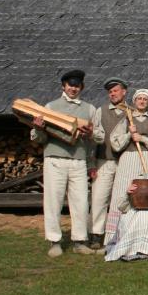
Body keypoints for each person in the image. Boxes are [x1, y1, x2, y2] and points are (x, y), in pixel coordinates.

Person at [30, 69, 97, 257]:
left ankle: (79, 241)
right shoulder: (50, 107)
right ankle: (54, 241)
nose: (73, 89)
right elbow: (39, 139)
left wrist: (90, 137)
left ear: (81, 87)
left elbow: (94, 140)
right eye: (70, 85)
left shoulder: (89, 109)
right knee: (53, 200)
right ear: (64, 86)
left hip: (78, 160)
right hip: (55, 159)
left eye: (77, 86)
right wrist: (38, 128)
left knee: (81, 202)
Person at [105, 89, 148, 245]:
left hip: (146, 158)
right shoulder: (127, 118)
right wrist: (129, 135)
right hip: (127, 160)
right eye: (139, 99)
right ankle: (113, 238)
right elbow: (115, 142)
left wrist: (142, 138)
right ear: (134, 101)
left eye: (145, 99)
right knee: (123, 193)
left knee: (144, 196)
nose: (141, 101)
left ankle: (143, 236)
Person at [89, 76, 128, 250]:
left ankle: (118, 233)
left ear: (124, 92)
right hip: (104, 160)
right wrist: (91, 162)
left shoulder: (132, 112)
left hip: (125, 162)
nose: (112, 94)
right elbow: (93, 137)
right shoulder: (101, 110)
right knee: (99, 198)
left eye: (115, 90)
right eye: (110, 92)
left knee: (121, 200)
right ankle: (96, 234)